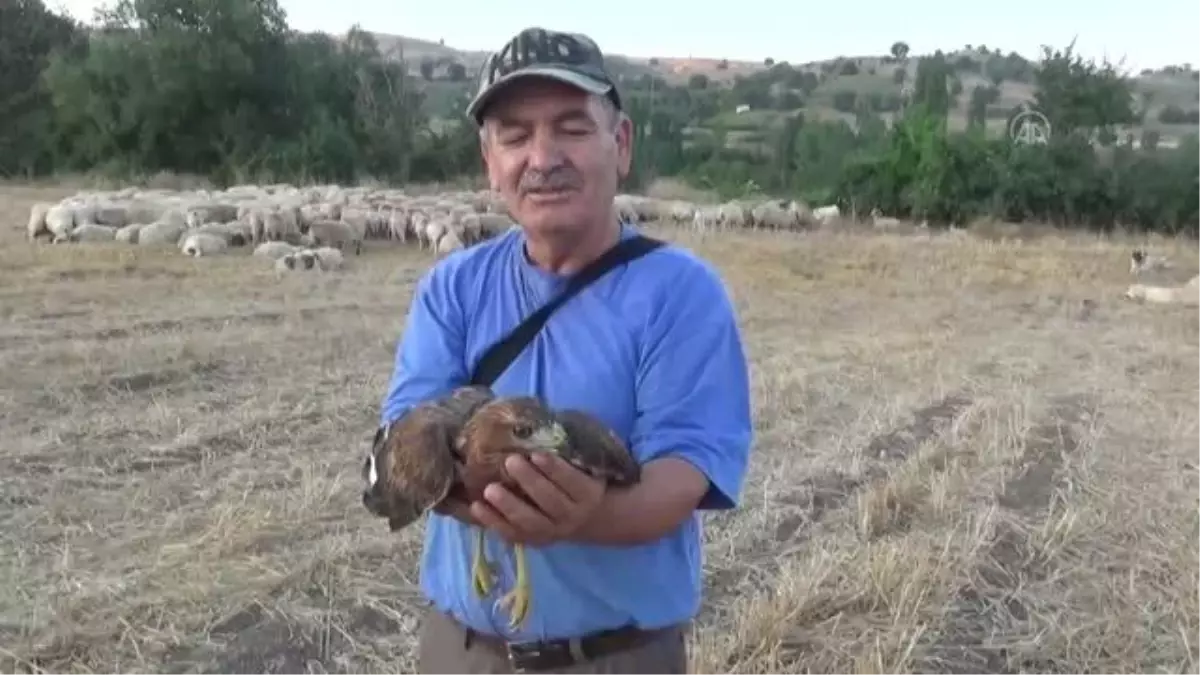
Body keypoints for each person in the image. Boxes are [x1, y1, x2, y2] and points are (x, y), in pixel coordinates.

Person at [379, 26, 754, 675]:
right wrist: (474, 485)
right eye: (515, 135)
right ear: (489, 159)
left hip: (614, 656)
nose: (542, 156)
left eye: (572, 128)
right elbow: (405, 435)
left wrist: (587, 514)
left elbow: (686, 470)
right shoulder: (452, 286)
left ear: (622, 143)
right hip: (458, 651)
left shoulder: (683, 294)